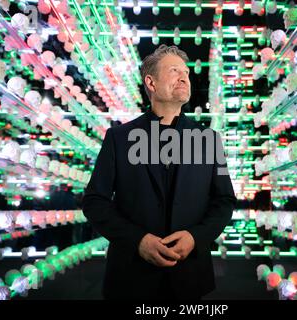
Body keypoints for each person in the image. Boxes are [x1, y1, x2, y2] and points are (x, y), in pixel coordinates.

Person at [82, 45, 237, 300]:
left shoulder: (208, 140)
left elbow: (225, 200)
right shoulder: (119, 138)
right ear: (151, 83)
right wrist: (137, 240)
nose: (184, 76)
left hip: (188, 277)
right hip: (131, 278)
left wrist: (195, 237)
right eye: (174, 70)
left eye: (186, 72)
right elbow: (94, 201)